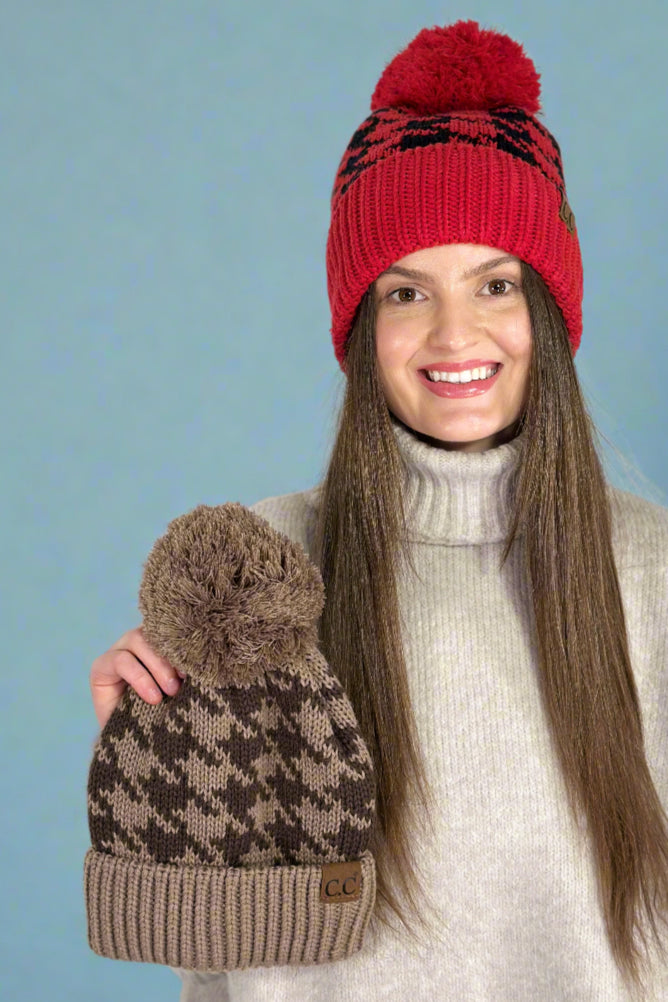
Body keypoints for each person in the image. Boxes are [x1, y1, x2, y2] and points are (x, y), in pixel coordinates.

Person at [88, 19, 668, 1002]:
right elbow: (220, 966)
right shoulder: (259, 570)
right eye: (405, 292)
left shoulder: (651, 576)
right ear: (361, 326)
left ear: (550, 311)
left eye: (495, 284)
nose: (455, 332)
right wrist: (161, 774)